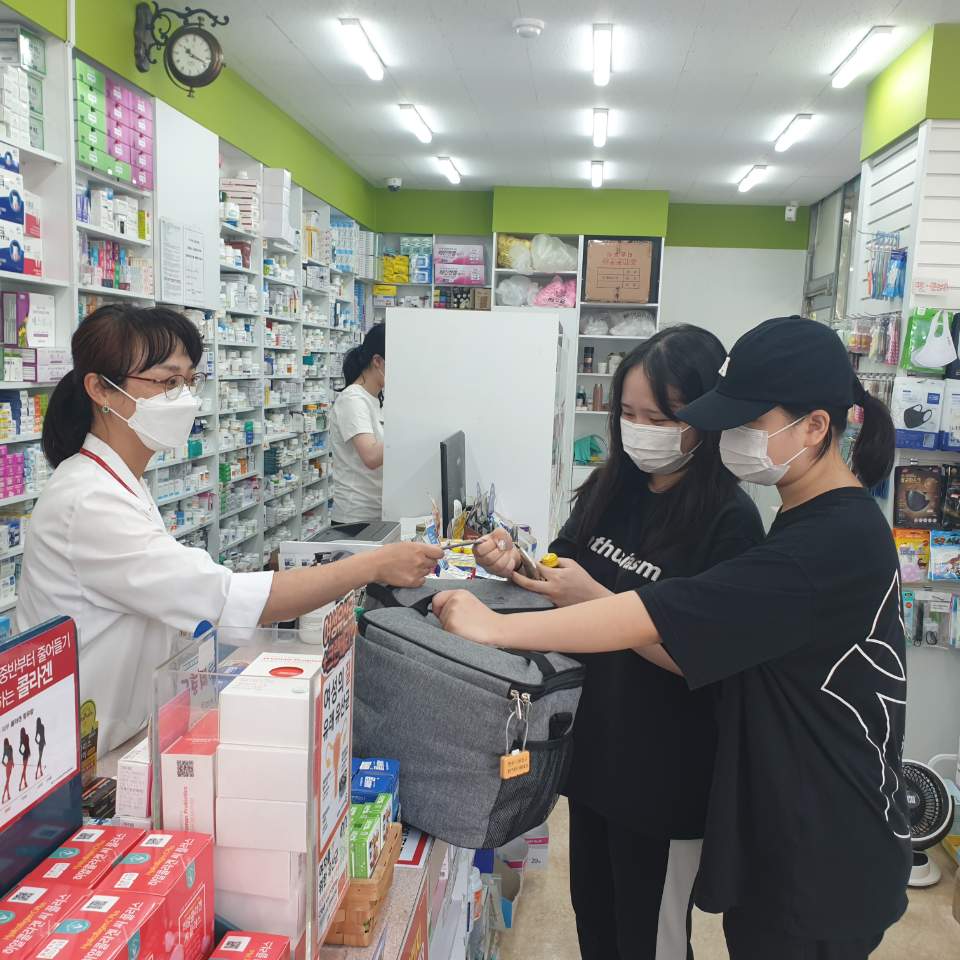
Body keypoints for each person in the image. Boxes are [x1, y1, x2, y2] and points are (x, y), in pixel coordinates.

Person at [437, 316, 910, 960]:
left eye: (747, 421)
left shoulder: (822, 542)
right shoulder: (811, 523)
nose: (730, 437)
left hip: (820, 846)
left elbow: (661, 616)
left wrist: (498, 627)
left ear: (815, 426)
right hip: (783, 827)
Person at [17, 306, 442, 756]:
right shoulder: (88, 500)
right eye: (167, 382)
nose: (184, 399)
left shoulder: (119, 481)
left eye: (189, 381)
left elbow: (178, 594)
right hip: (72, 753)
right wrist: (373, 564)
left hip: (122, 732)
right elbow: (222, 597)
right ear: (101, 389)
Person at [474, 326, 764, 960]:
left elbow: (705, 658)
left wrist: (598, 600)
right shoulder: (612, 490)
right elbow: (560, 571)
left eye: (660, 418)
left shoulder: (730, 522)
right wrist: (514, 563)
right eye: (628, 414)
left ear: (706, 418)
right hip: (596, 758)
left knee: (650, 939)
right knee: (597, 924)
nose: (640, 431)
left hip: (666, 778)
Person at [330, 323, 386, 526]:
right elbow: (370, 456)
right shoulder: (352, 399)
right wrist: (405, 428)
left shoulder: (376, 398)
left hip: (377, 512)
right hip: (355, 519)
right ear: (377, 361)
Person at [17, 727, 29, 792]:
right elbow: (28, 746)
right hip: (26, 754)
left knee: (24, 770)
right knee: (24, 770)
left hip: (25, 755)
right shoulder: (26, 736)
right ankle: (21, 783)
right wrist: (27, 753)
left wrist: (23, 753)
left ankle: (25, 783)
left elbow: (20, 749)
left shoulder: (21, 739)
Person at [2, 737, 13, 802]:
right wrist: (7, 765)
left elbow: (12, 756)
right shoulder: (9, 748)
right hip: (9, 765)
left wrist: (7, 765)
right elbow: (2, 761)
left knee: (7, 781)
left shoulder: (7, 749)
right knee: (7, 781)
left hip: (9, 765)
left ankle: (7, 795)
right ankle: (4, 795)